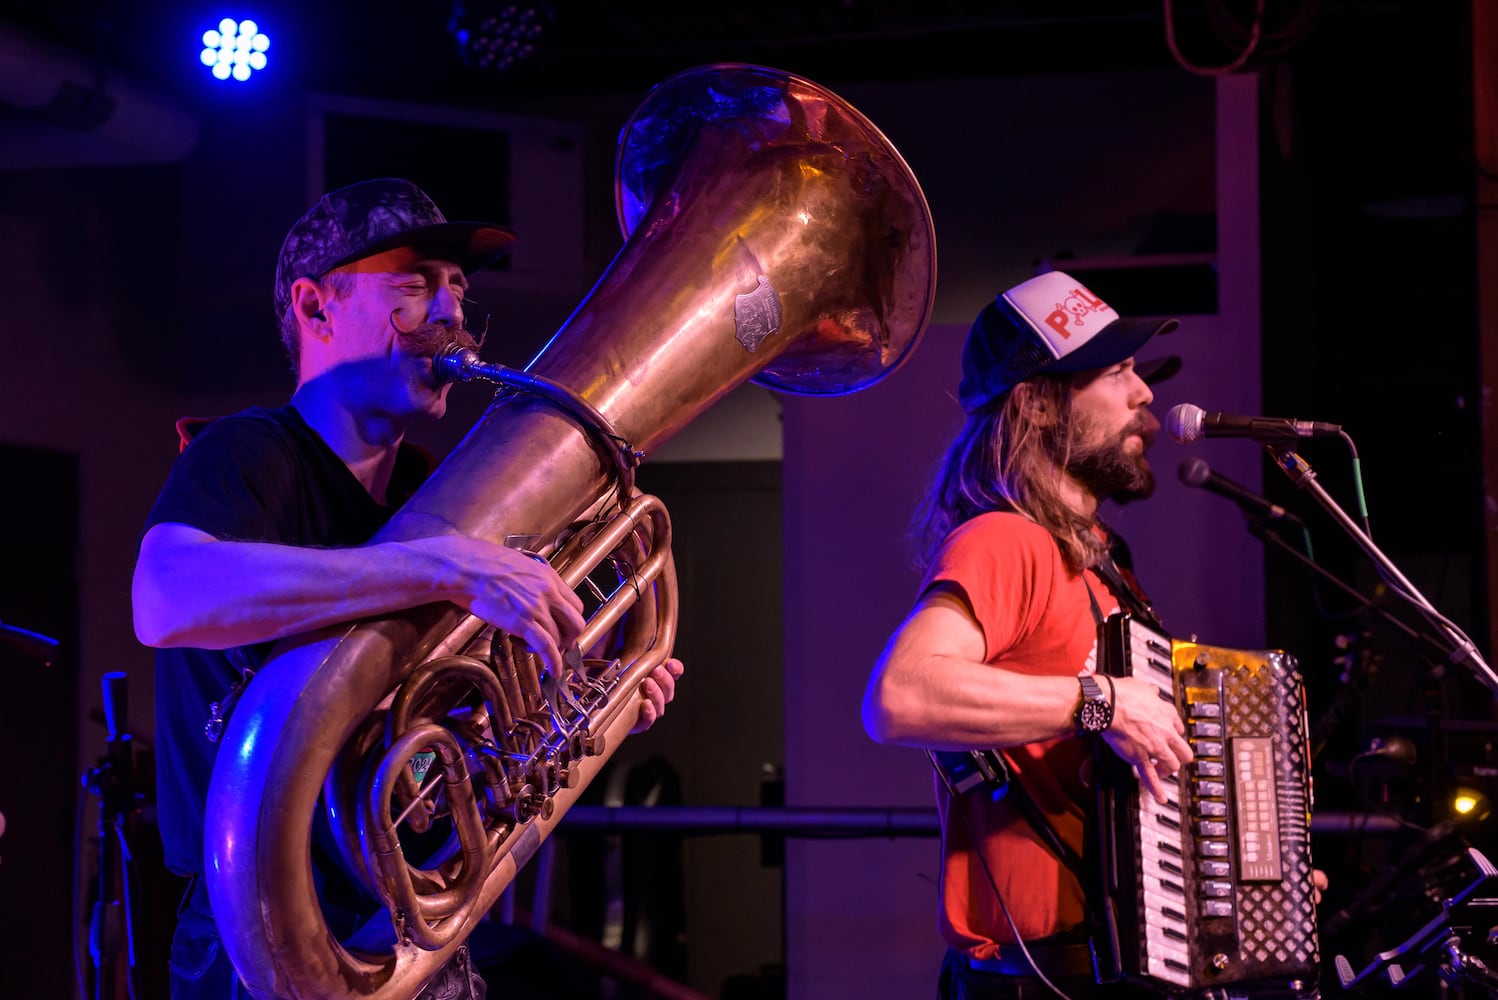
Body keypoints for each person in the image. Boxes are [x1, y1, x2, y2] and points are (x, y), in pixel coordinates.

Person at [132, 177, 684, 999]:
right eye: (415, 283)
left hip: (406, 926)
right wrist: (441, 567)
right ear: (317, 308)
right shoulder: (251, 453)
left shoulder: (432, 489)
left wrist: (585, 704)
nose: (450, 310)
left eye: (458, 287)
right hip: (254, 939)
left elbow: (464, 735)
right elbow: (166, 598)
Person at [862, 269, 1323, 999]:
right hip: (1036, 983)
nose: (1146, 396)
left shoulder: (1102, 566)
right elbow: (901, 695)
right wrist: (1106, 700)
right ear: (1039, 406)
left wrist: (1236, 876)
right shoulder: (1006, 540)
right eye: (1117, 372)